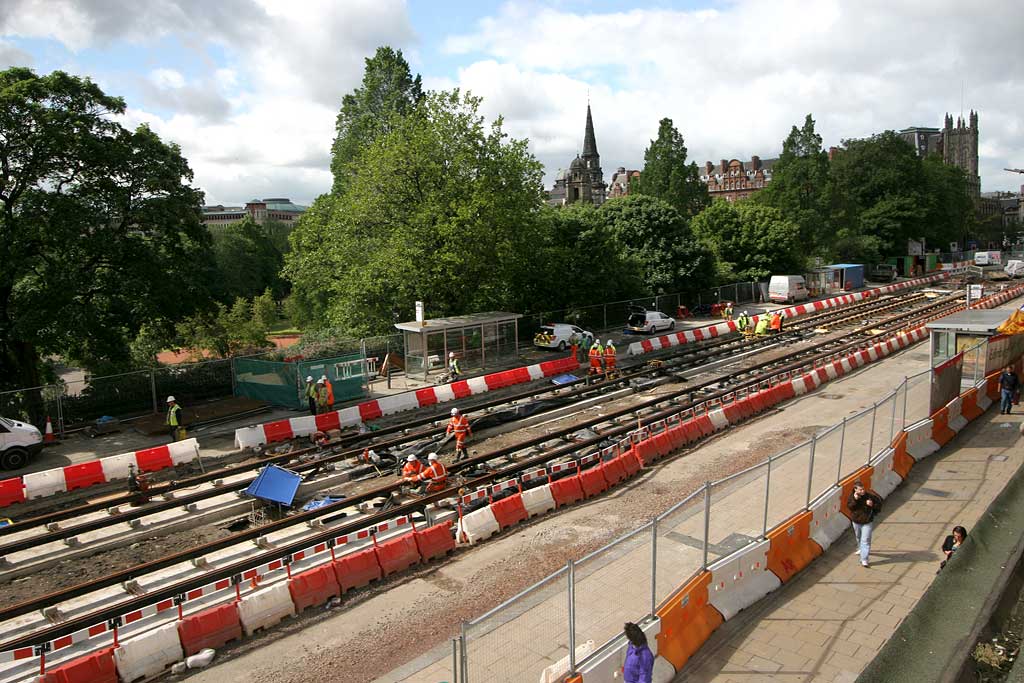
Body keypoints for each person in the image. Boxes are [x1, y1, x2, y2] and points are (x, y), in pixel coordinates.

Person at [847, 480, 882, 567]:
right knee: (858, 536)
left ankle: (864, 559)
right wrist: (855, 500)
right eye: (860, 490)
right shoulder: (852, 497)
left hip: (867, 522)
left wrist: (872, 505)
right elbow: (850, 507)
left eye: (863, 489)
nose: (863, 491)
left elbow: (879, 505)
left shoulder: (869, 497)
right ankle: (860, 548)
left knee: (865, 540)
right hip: (856, 522)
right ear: (855, 490)